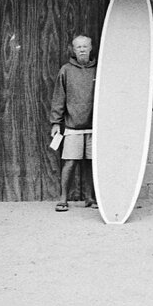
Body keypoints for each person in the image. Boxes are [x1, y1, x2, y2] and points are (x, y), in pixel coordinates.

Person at [50, 34, 97, 211]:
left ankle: (90, 198)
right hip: (73, 126)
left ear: (91, 48)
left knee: (91, 162)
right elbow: (58, 98)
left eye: (85, 46)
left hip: (95, 127)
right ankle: (63, 198)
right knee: (70, 162)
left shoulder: (99, 69)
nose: (82, 49)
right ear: (73, 49)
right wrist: (55, 122)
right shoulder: (66, 70)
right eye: (79, 47)